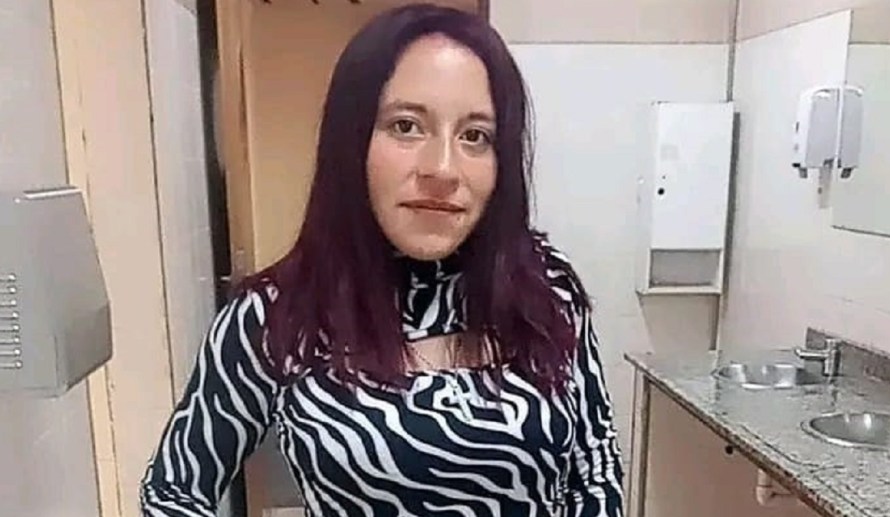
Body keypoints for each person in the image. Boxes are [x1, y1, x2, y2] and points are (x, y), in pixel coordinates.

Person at [139, 4, 624, 516]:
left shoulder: (547, 293)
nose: (442, 169)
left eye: (475, 136)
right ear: (352, 141)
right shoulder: (278, 315)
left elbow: (596, 471)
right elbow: (173, 494)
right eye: (406, 125)